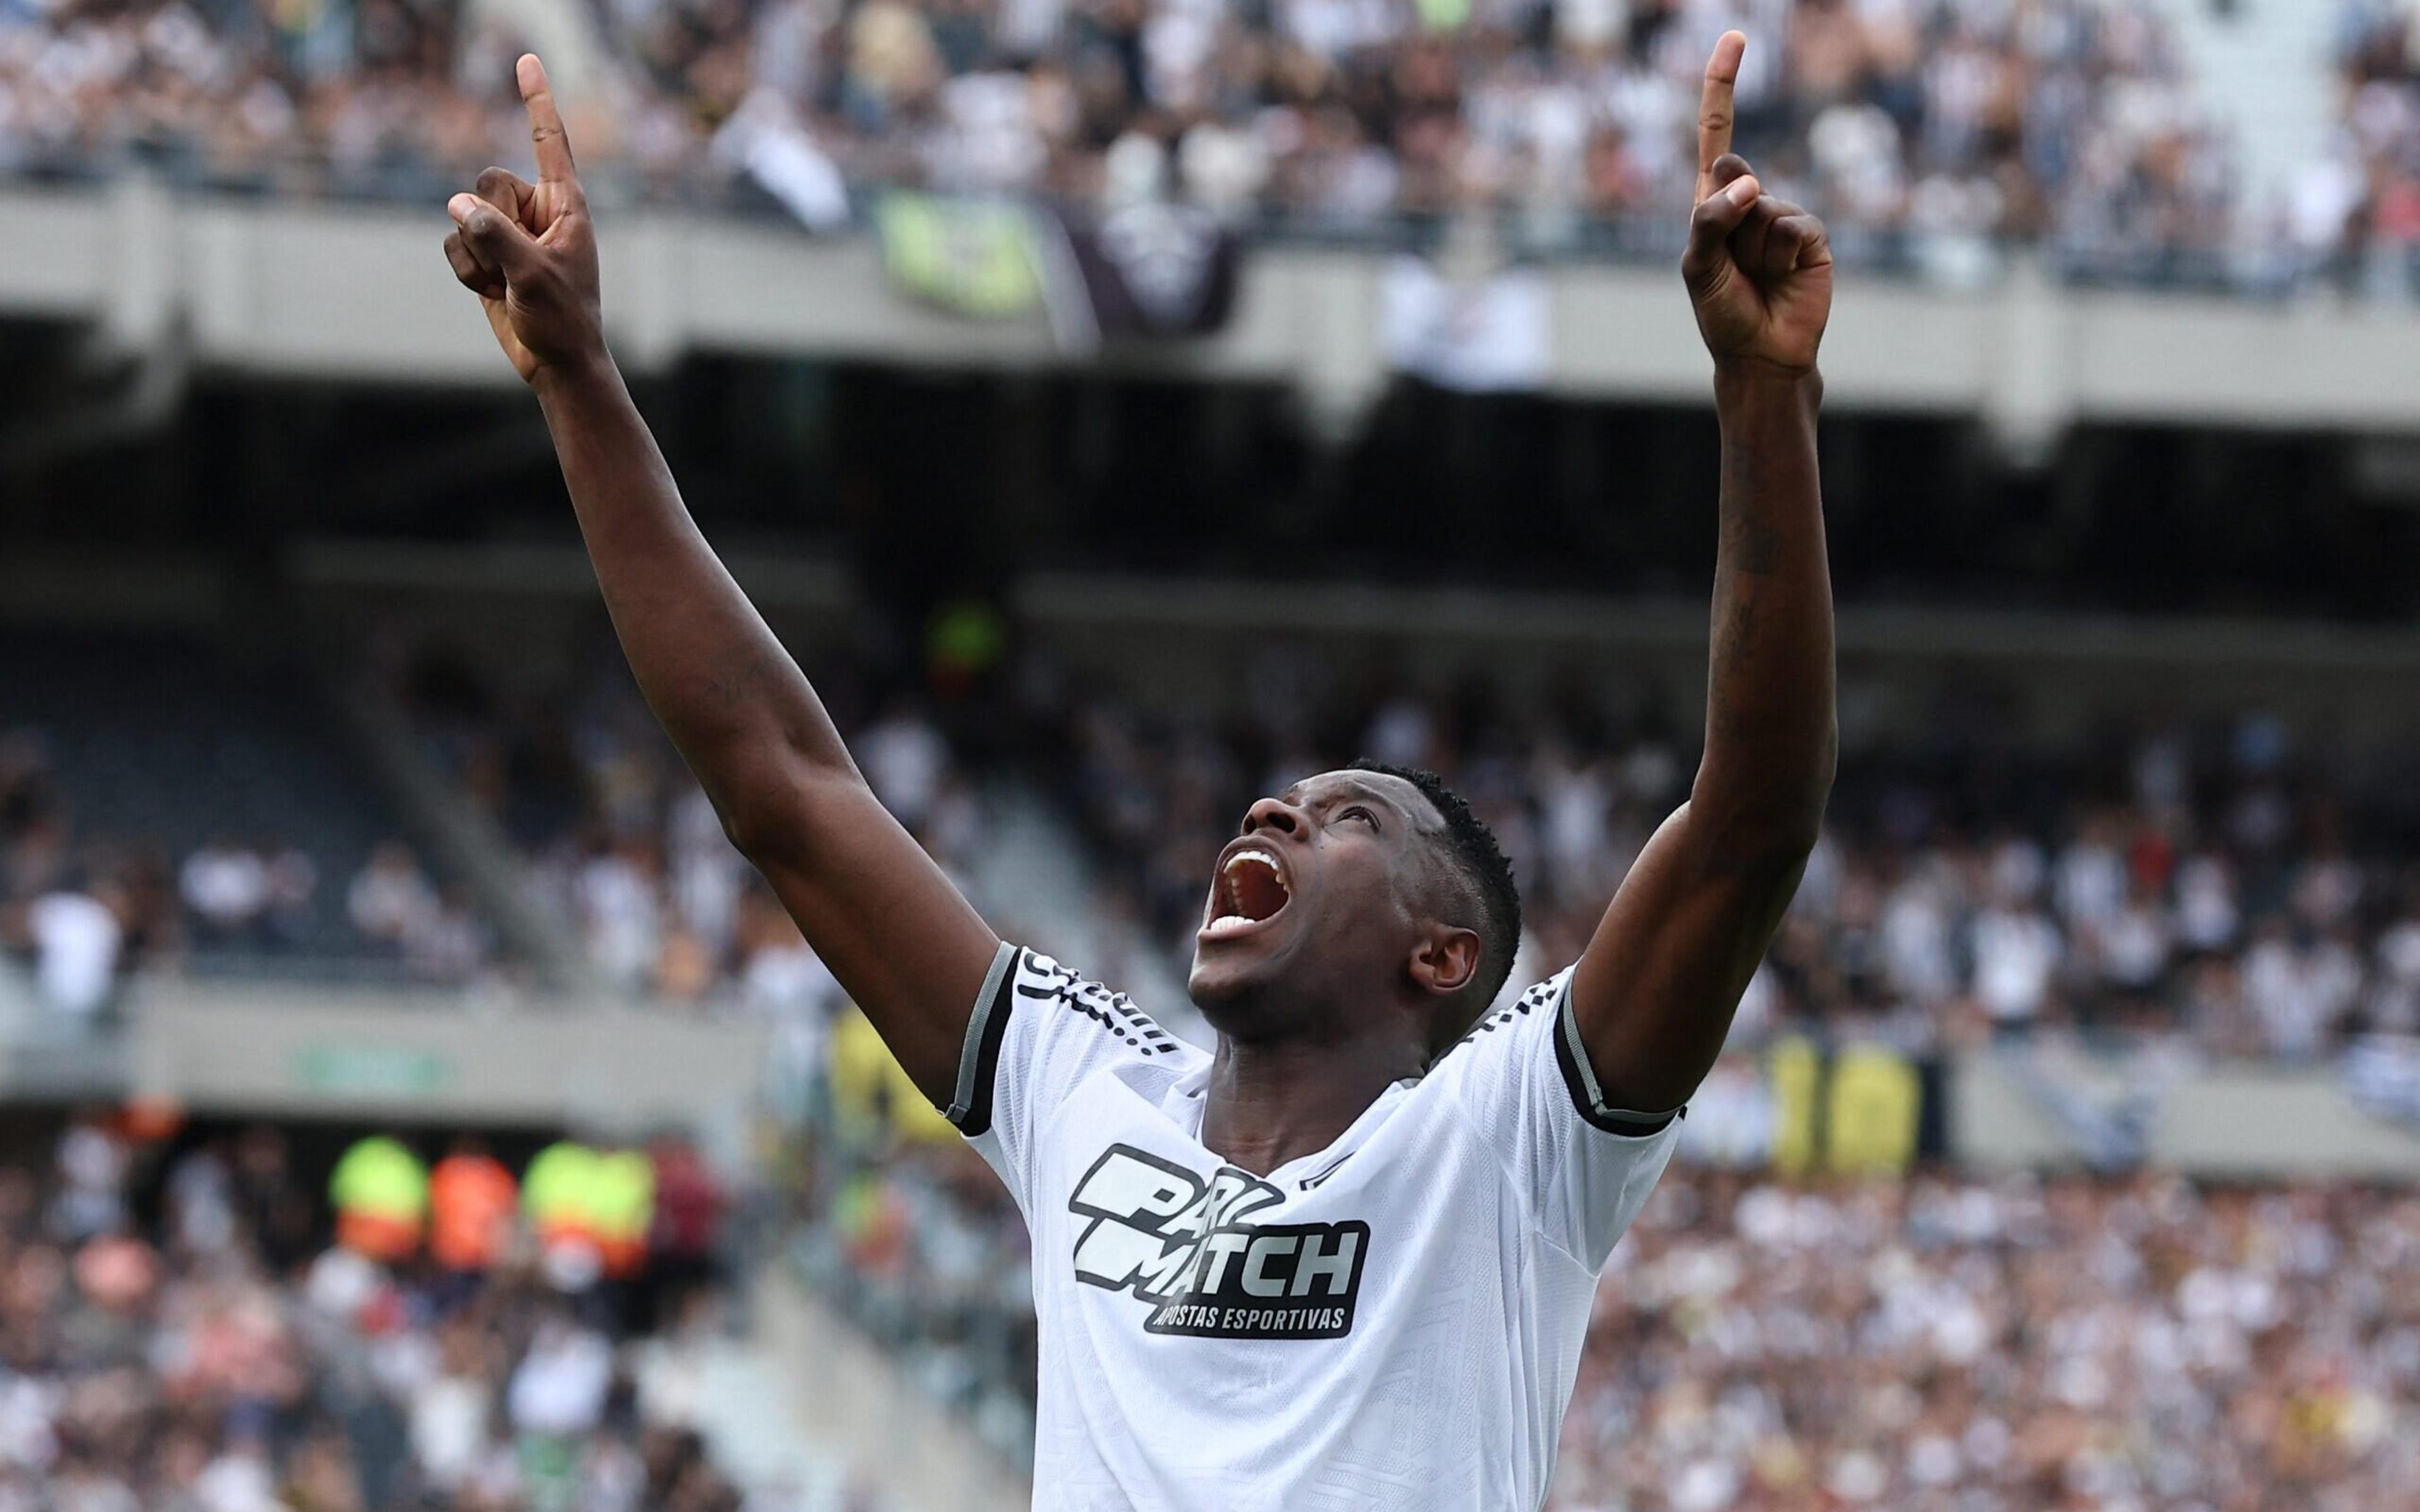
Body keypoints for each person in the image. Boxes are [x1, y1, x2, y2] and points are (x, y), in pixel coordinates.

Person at [441, 30, 1834, 1508]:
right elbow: (782, 786)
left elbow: (1747, 827)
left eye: (1346, 818)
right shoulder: (1089, 1088)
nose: (1276, 811)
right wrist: (582, 381)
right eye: (1279, 803)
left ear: (1441, 956)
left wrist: (1761, 398)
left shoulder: (1508, 1147)